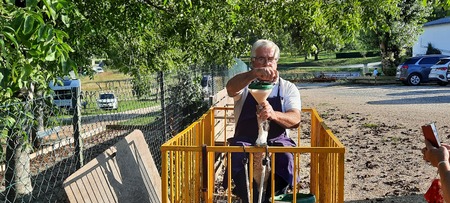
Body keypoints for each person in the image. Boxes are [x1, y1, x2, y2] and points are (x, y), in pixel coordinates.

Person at [224, 39, 301, 202]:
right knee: (237, 157)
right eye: (261, 59)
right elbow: (230, 88)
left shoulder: (287, 88)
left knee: (285, 157)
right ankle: (246, 197)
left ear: (276, 62)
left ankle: (275, 197)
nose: (266, 64)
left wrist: (273, 114)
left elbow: (295, 119)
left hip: (276, 141)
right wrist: (254, 74)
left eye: (270, 59)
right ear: (253, 61)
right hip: (245, 141)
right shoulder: (245, 85)